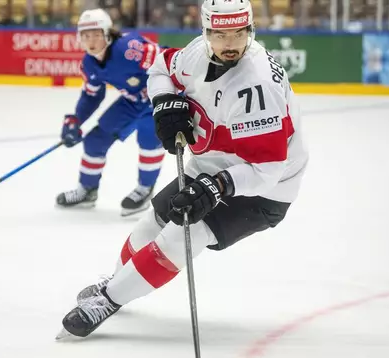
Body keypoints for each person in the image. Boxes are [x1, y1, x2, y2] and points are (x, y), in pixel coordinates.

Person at [58, 0, 309, 338]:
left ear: (251, 31)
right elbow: (161, 69)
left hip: (262, 188)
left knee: (186, 231)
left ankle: (108, 299)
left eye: (239, 33)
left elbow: (267, 168)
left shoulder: (256, 86)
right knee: (155, 219)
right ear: (205, 32)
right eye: (220, 34)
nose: (230, 44)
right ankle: (118, 282)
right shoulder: (196, 53)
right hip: (213, 163)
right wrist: (164, 101)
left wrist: (218, 185)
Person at [56, 8, 165, 217]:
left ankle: (145, 188)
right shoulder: (89, 63)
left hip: (159, 98)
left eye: (95, 34)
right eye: (85, 35)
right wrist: (76, 120)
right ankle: (87, 190)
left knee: (149, 140)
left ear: (107, 33)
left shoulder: (129, 48)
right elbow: (92, 96)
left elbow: (167, 62)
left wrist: (172, 97)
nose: (90, 41)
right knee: (95, 141)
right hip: (133, 102)